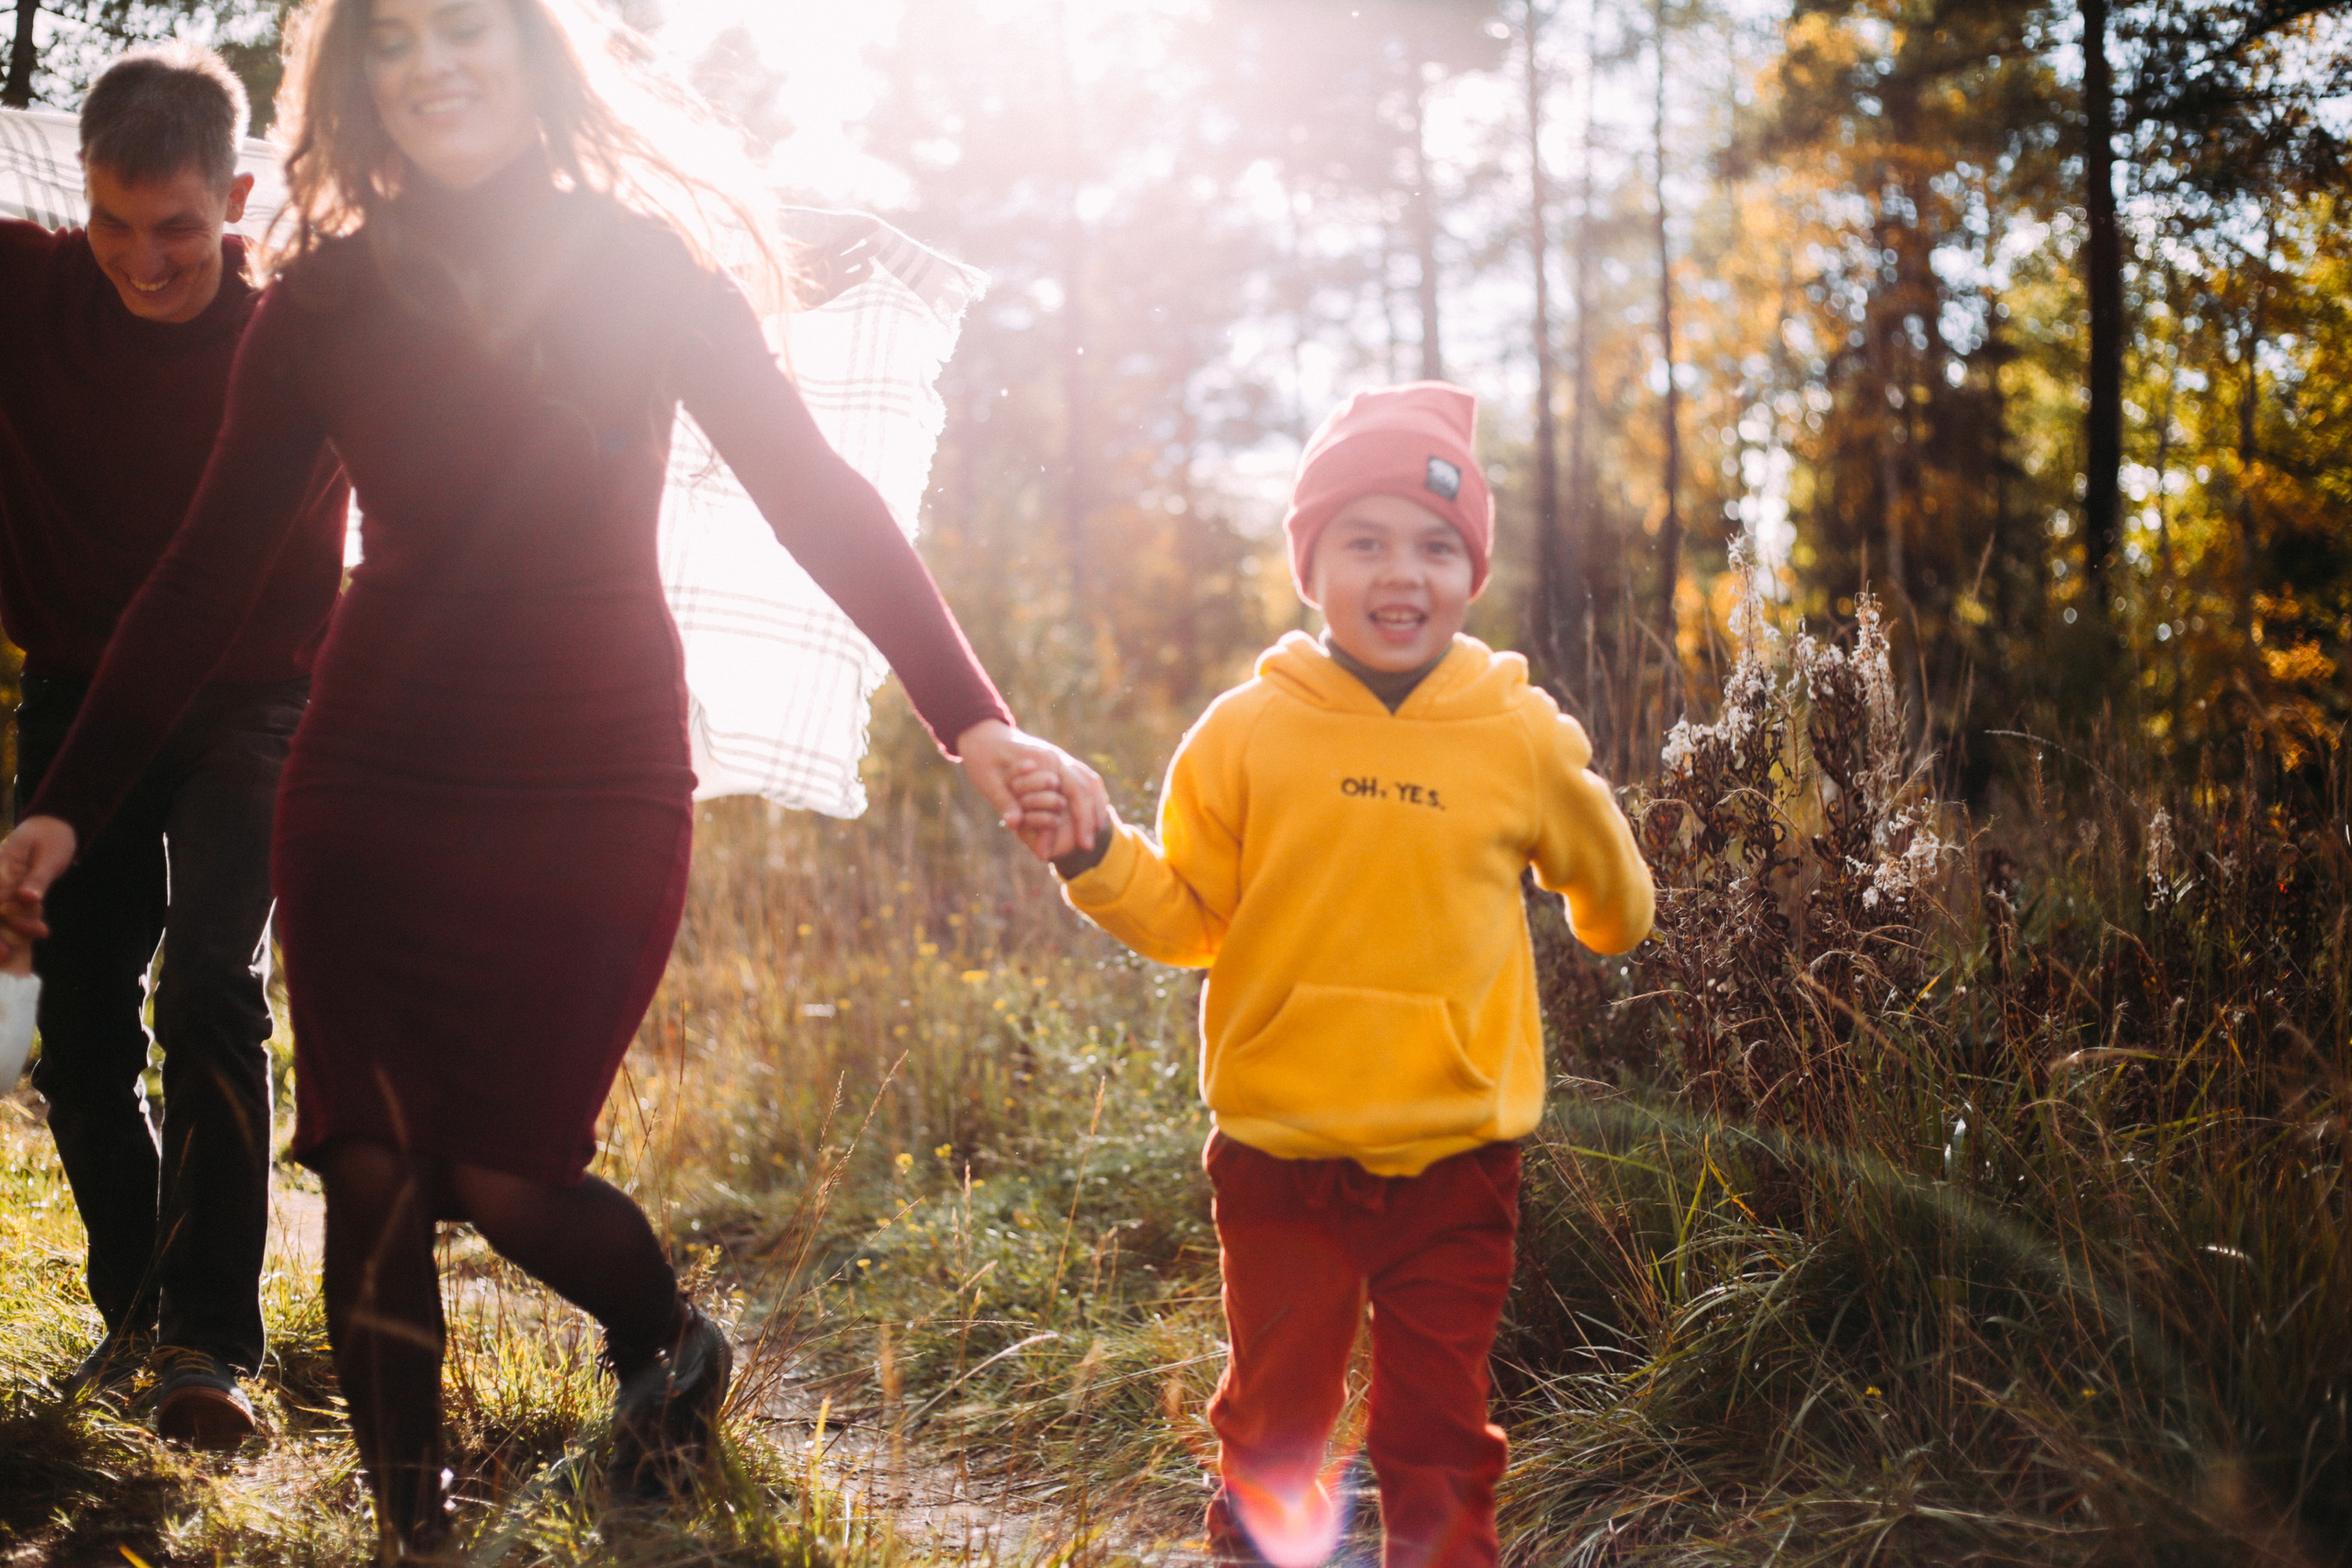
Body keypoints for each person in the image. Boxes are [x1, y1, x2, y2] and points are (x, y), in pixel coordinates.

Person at [0, 0, 1103, 1556]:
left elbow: (815, 493)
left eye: (467, 28)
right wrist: (66, 801)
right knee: (373, 1162)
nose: (433, 61)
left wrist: (975, 720)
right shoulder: (321, 300)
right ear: (358, 78)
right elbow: (198, 579)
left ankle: (669, 1342)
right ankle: (412, 1533)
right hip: (370, 765)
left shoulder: (640, 267)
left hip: (592, 764)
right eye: (393, 38)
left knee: (511, 1170)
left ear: (532, 54)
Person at [1036, 384, 1655, 1568]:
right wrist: (1095, 853)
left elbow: (1618, 915)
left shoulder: (1515, 732)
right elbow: (1189, 922)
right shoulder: (1244, 732)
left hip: (1458, 1154)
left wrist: (1586, 803)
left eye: (1435, 546)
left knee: (1438, 1439)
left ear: (1472, 571)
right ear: (1309, 563)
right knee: (1273, 1422)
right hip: (1281, 1151)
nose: (1401, 574)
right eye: (1363, 542)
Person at [0, 44, 351, 1446]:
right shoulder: (27, 293)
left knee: (209, 980)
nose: (142, 261)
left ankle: (213, 1342)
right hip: (81, 696)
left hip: (253, 697)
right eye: (112, 225)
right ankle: (142, 1311)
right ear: (78, 197)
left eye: (180, 230)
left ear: (239, 196)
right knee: (77, 1031)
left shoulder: (292, 344)